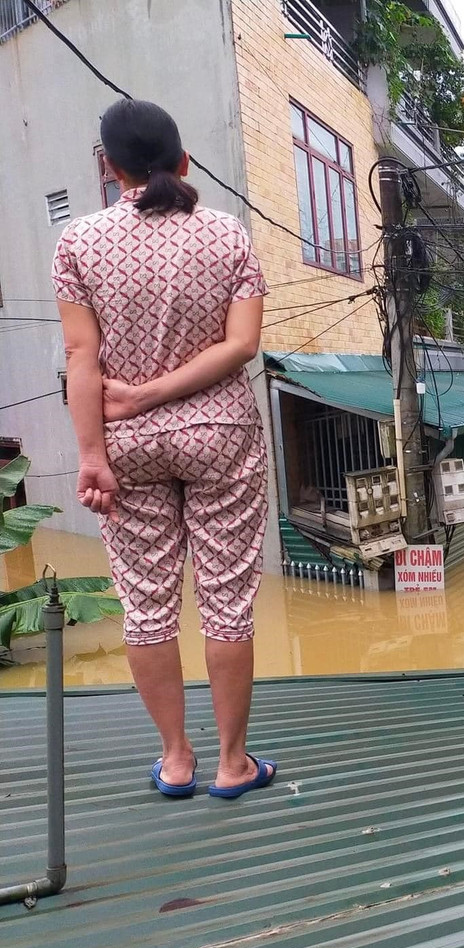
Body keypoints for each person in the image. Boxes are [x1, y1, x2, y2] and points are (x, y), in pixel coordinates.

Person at [54, 99, 276, 799]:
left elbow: (80, 356)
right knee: (227, 602)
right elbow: (242, 346)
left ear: (107, 167)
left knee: (147, 605)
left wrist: (93, 451)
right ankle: (233, 763)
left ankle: (176, 758)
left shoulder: (78, 244)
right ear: (184, 163)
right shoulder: (227, 236)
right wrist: (162, 395)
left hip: (126, 444)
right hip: (222, 434)